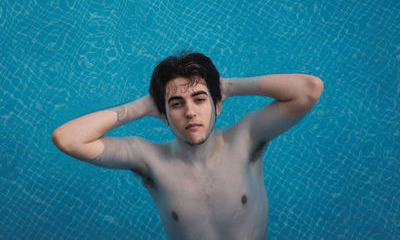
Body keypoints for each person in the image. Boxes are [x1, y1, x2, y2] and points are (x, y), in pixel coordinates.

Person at [51, 51, 324, 240]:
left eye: (200, 99)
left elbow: (310, 89)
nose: (191, 112)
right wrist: (145, 105)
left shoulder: (245, 140)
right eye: (177, 104)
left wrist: (225, 86)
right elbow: (68, 139)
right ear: (164, 116)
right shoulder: (150, 161)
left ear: (217, 104)